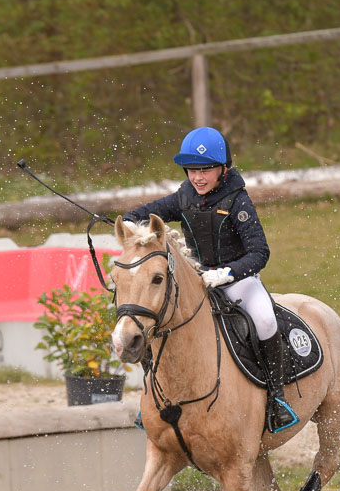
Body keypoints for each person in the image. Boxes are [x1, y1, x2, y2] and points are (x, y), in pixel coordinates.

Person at [123, 126, 299, 434]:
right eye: (192, 170)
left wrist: (228, 273)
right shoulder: (183, 197)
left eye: (206, 170)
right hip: (197, 281)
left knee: (265, 320)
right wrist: (126, 219)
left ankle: (276, 398)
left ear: (223, 168)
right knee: (155, 319)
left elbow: (260, 252)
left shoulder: (237, 201)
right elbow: (144, 213)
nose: (198, 177)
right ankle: (151, 399)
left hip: (238, 280)